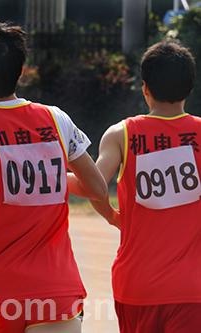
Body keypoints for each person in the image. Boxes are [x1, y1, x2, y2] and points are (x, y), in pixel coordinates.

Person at [0, 17, 109, 333]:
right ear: (21, 71)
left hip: (0, 291)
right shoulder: (57, 119)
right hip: (56, 289)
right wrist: (54, 176)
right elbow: (98, 188)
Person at [73, 41, 201, 332]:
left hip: (136, 286)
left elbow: (93, 184)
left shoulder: (121, 134)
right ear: (190, 87)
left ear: (145, 88)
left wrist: (109, 214)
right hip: (192, 288)